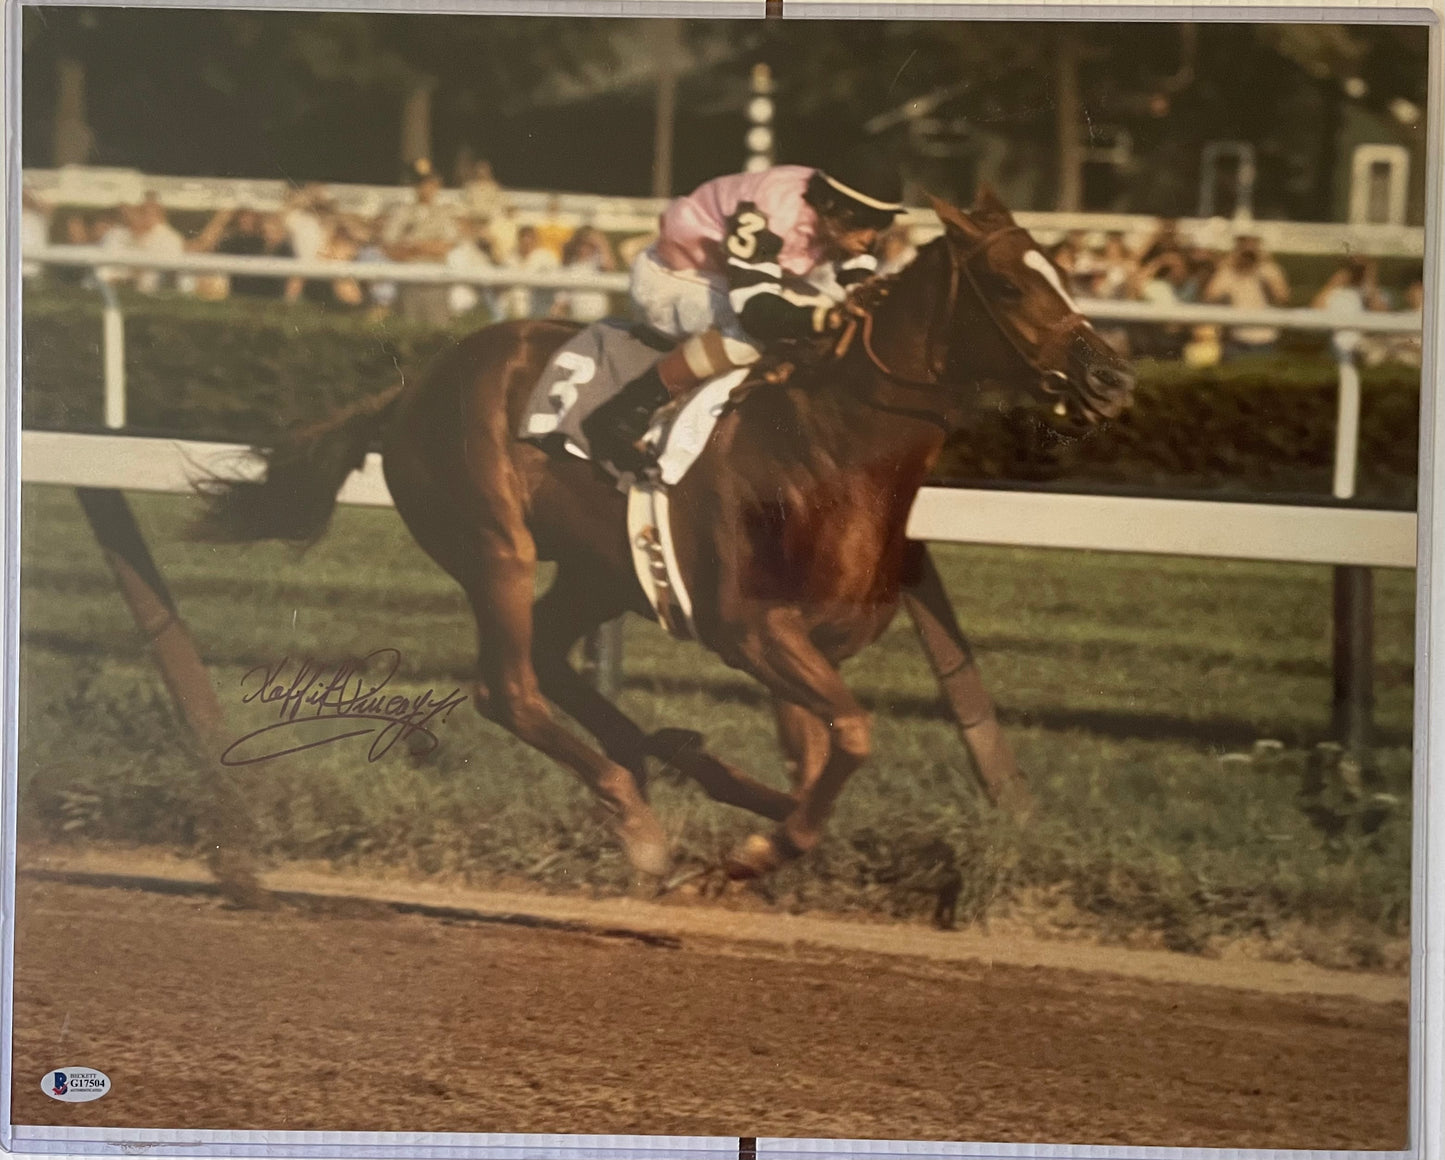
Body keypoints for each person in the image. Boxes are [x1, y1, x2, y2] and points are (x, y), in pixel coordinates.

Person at [581, 160, 905, 472]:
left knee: (828, 324)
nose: (872, 237)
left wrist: (863, 296)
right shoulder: (771, 210)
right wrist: (825, 318)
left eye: (881, 224)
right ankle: (624, 412)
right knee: (750, 337)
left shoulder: (831, 211)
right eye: (865, 221)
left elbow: (858, 285)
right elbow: (756, 313)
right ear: (836, 207)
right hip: (672, 275)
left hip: (725, 276)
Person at [381, 159, 460, 326]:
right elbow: (389, 246)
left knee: (438, 326)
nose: (427, 188)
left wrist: (417, 245)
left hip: (435, 275)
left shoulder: (444, 213)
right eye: (422, 184)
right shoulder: (402, 212)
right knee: (409, 325)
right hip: (409, 275)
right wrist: (415, 249)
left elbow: (445, 247)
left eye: (431, 184)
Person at [1203, 234, 1290, 361]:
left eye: (1252, 244)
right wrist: (1227, 266)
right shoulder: (1228, 272)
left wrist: (1261, 268)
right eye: (1243, 245)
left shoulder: (1270, 269)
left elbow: (1283, 298)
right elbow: (1210, 297)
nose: (1248, 249)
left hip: (1265, 339)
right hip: (1237, 340)